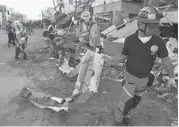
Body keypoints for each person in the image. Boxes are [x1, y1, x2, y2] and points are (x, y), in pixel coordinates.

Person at [103, 6, 176, 126]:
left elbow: (166, 59)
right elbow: (122, 56)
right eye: (152, 26)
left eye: (156, 25)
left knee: (135, 101)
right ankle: (118, 121)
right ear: (140, 25)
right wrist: (109, 60)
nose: (156, 28)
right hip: (130, 78)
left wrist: (172, 77)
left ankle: (125, 115)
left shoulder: (158, 42)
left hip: (144, 79)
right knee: (125, 102)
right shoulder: (129, 40)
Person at [72, 11, 102, 96]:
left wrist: (93, 52)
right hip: (91, 49)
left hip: (96, 50)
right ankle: (77, 89)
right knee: (83, 67)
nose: (82, 23)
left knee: (95, 72)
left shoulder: (94, 27)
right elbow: (88, 39)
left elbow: (95, 40)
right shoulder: (89, 27)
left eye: (83, 21)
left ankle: (92, 90)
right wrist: (82, 41)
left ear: (87, 20)